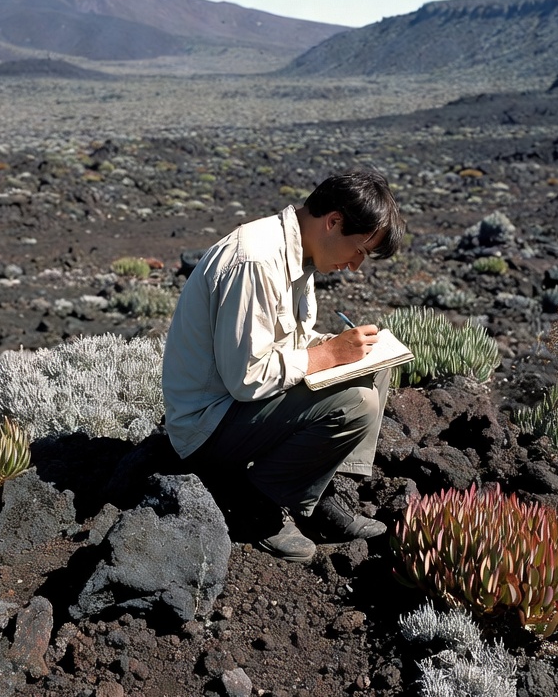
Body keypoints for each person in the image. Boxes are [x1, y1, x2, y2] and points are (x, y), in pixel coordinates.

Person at [162, 169, 405, 562]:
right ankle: (256, 505)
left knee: (372, 364)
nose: (356, 265)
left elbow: (284, 344)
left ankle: (324, 494)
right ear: (334, 221)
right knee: (357, 403)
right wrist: (326, 355)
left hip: (240, 409)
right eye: (359, 250)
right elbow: (247, 379)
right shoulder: (256, 261)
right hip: (207, 427)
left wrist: (338, 348)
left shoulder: (299, 255)